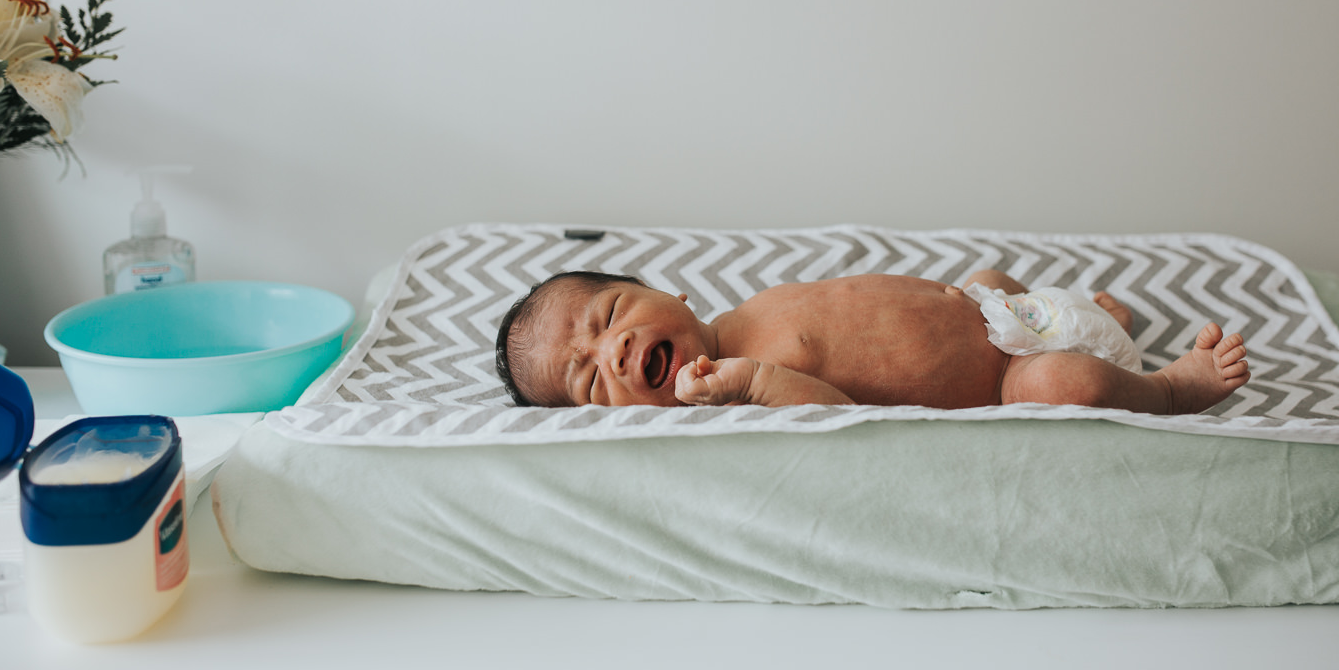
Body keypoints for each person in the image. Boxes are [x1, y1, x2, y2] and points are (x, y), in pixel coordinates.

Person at [495, 268, 1251, 412]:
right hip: (998, 379)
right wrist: (751, 384)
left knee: (986, 274)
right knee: (1069, 385)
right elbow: (830, 410)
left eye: (610, 317)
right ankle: (1168, 389)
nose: (614, 353)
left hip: (992, 309)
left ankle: (1093, 318)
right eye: (591, 379)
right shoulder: (728, 387)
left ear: (669, 293)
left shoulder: (748, 306)